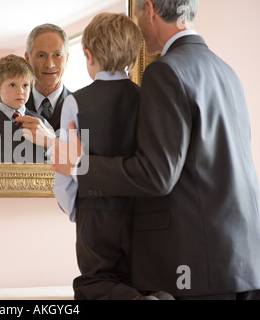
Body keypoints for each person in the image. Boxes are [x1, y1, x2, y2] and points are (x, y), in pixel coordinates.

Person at [51, 0, 260, 300]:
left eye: (137, 15)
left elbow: (157, 174)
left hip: (197, 267)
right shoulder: (226, 71)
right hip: (244, 261)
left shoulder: (166, 71)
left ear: (149, 9)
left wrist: (79, 166)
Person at [54, 13, 147, 300]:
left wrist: (75, 210)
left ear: (88, 54)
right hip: (140, 212)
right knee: (137, 278)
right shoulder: (146, 98)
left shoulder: (75, 102)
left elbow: (66, 170)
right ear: (133, 54)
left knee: (93, 282)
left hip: (94, 212)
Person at [0, 54, 47, 164]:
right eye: (12, 85)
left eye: (25, 85)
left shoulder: (40, 122)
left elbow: (51, 160)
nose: (20, 91)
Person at [17, 23, 71, 138]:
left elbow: (85, 155)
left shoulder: (81, 107)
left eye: (57, 55)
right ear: (28, 58)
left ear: (66, 59)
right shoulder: (12, 106)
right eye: (41, 55)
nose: (50, 64)